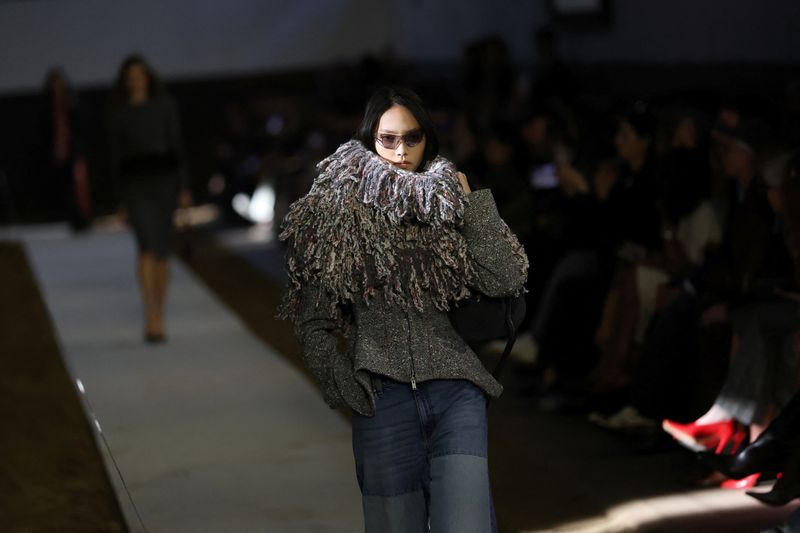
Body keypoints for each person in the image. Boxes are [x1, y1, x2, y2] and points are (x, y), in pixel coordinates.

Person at [279, 87, 528, 532]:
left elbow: (506, 280)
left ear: (427, 139)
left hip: (456, 391)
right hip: (384, 401)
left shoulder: (450, 198)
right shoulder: (340, 207)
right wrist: (343, 383)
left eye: (411, 139)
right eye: (388, 138)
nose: (400, 151)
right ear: (369, 139)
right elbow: (312, 316)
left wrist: (471, 203)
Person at [107, 55, 191, 342]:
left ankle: (159, 311)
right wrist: (120, 201)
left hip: (165, 183)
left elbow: (177, 145)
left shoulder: (165, 106)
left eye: (139, 74)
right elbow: (115, 158)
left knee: (162, 249)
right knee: (146, 247)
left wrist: (183, 187)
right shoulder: (119, 113)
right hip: (135, 186)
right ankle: (151, 314)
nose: (135, 79)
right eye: (130, 75)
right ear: (124, 80)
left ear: (148, 77)